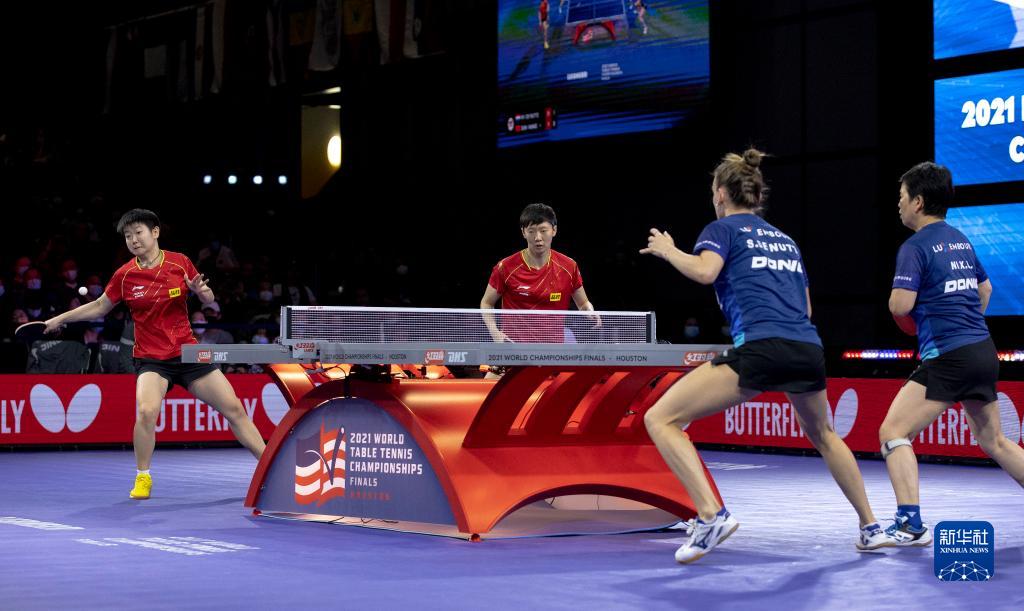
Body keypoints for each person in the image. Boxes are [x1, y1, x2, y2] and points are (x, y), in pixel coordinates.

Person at [639, 149, 887, 564]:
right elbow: (806, 308)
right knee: (825, 435)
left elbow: (705, 272)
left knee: (660, 419)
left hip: (761, 348)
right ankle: (871, 527)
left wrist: (668, 250)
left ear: (721, 193)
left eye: (713, 191)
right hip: (807, 348)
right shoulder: (786, 241)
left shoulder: (723, 229)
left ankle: (711, 515)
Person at [43, 209, 265, 500]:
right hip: (151, 359)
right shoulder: (125, 275)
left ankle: (268, 468)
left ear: (155, 232)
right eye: (128, 236)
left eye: (138, 233)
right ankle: (143, 476)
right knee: (147, 411)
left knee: (234, 408)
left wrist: (201, 292)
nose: (133, 240)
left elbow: (209, 298)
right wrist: (60, 319)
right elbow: (99, 307)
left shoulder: (179, 262)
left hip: (187, 353)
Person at [879, 162, 1024, 546]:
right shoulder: (960, 239)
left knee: (893, 433)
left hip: (949, 355)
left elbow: (900, 305)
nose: (898, 204)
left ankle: (909, 525)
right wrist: (965, 323)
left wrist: (915, 315)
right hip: (982, 350)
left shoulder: (914, 247)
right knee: (995, 442)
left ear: (918, 202)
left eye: (902, 197)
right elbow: (985, 291)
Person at [480, 203, 598, 349]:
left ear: (554, 230)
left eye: (543, 230)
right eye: (531, 231)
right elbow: (487, 302)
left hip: (553, 351)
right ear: (523, 232)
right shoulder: (505, 267)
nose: (538, 237)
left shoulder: (569, 266)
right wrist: (494, 332)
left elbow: (583, 303)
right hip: (513, 350)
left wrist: (590, 310)